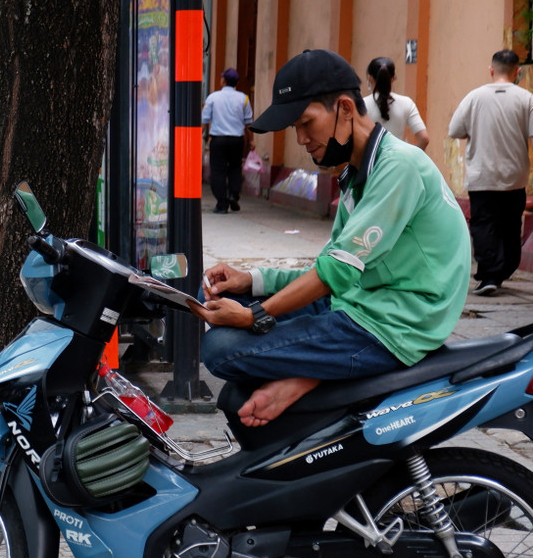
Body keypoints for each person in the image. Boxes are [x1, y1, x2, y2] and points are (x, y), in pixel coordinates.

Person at [194, 49, 470, 428]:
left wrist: (254, 315)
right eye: (295, 128)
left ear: (344, 108)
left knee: (220, 349)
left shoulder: (399, 167)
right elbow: (329, 268)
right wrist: (251, 280)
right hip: (355, 304)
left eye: (306, 122)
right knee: (215, 297)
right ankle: (314, 372)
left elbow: (332, 274)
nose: (302, 138)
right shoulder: (358, 173)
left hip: (393, 325)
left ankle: (308, 378)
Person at [449, 49, 533, 296]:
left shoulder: (474, 97)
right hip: (514, 178)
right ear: (518, 71)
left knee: (484, 224)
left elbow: (455, 129)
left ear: (491, 70)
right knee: (510, 224)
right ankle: (503, 269)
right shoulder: (526, 99)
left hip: (481, 176)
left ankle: (488, 275)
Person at [201, 68, 254, 213]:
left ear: (223, 81)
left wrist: (199, 135)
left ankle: (222, 204)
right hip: (237, 140)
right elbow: (248, 122)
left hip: (218, 140)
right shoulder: (244, 98)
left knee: (218, 171)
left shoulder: (212, 97)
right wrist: (251, 141)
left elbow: (204, 120)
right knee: (235, 168)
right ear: (236, 82)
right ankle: (233, 194)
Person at [363, 56, 429, 151]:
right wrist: (409, 158)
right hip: (397, 162)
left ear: (369, 78)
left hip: (371, 163)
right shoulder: (407, 103)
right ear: (393, 78)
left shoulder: (361, 104)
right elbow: (424, 138)